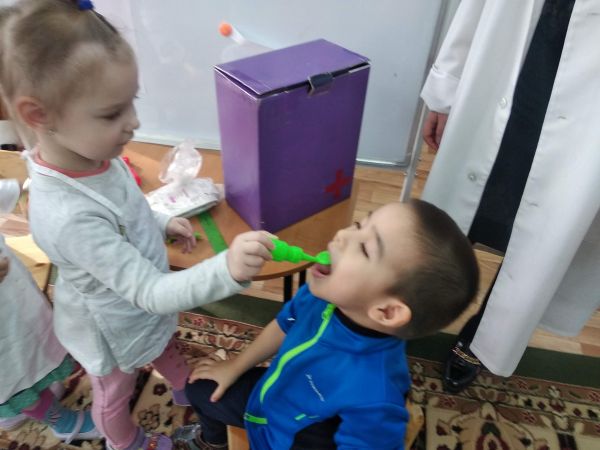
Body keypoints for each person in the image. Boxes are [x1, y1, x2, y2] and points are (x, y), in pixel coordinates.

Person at [0, 1, 274, 449]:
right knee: (114, 395)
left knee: (164, 342)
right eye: (113, 114)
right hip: (111, 334)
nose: (135, 123)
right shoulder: (67, 216)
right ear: (38, 116)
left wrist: (160, 220)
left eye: (133, 102)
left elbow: (124, 206)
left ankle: (185, 389)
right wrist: (226, 269)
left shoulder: (95, 156)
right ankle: (124, 441)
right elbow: (149, 291)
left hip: (141, 312)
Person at [173, 199, 480, 450]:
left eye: (364, 248)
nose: (343, 234)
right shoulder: (322, 295)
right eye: (359, 225)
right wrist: (236, 365)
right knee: (199, 388)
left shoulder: (375, 395)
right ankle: (212, 441)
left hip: (302, 437)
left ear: (386, 311)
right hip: (270, 397)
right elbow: (284, 325)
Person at [420, 0, 600, 392]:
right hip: (509, 63)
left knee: (549, 228)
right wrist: (446, 87)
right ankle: (411, 300)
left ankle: (480, 335)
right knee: (459, 213)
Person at [0, 179, 102, 442]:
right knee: (13, 379)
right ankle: (62, 423)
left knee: (31, 352)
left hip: (12, 302)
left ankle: (21, 405)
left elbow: (10, 191)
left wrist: (35, 180)